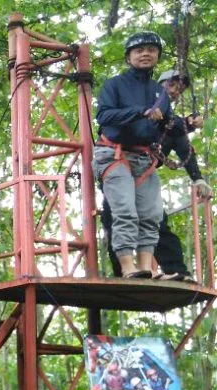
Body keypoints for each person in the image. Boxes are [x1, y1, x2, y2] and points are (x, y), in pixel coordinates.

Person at [100, 69, 209, 281]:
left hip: (143, 173)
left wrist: (197, 177)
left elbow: (184, 147)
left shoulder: (171, 123)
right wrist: (145, 112)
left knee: (155, 219)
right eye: (171, 85)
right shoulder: (136, 107)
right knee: (116, 216)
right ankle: (124, 271)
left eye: (180, 88)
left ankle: (175, 270)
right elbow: (117, 122)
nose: (176, 91)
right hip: (117, 166)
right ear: (158, 86)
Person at [93, 31, 170, 279]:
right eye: (139, 50)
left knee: (150, 214)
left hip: (144, 157)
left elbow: (165, 126)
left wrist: (183, 123)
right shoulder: (114, 85)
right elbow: (104, 116)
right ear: (129, 57)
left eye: (151, 49)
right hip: (113, 154)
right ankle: (127, 267)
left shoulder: (161, 93)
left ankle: (146, 268)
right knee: (125, 210)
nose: (145, 53)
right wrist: (141, 112)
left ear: (157, 55)